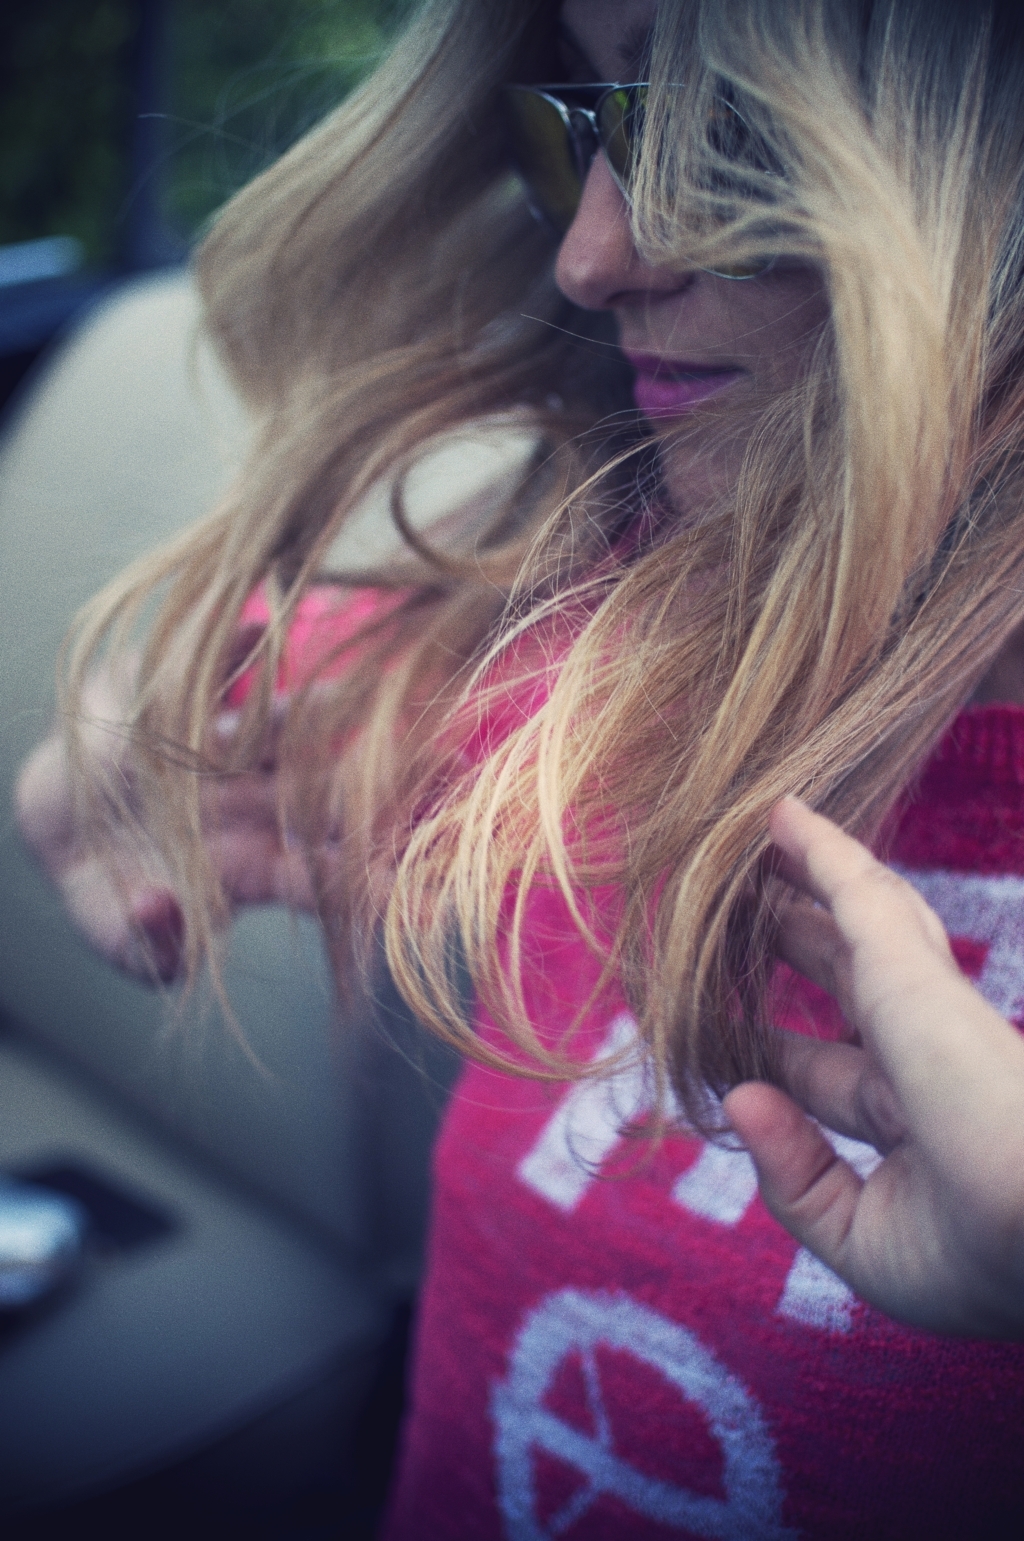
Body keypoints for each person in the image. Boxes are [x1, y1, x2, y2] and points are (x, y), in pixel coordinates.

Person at [16, 0, 1024, 1533]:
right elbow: (245, 681)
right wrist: (128, 737)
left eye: (727, 138)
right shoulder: (630, 626)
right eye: (584, 130)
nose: (596, 256)